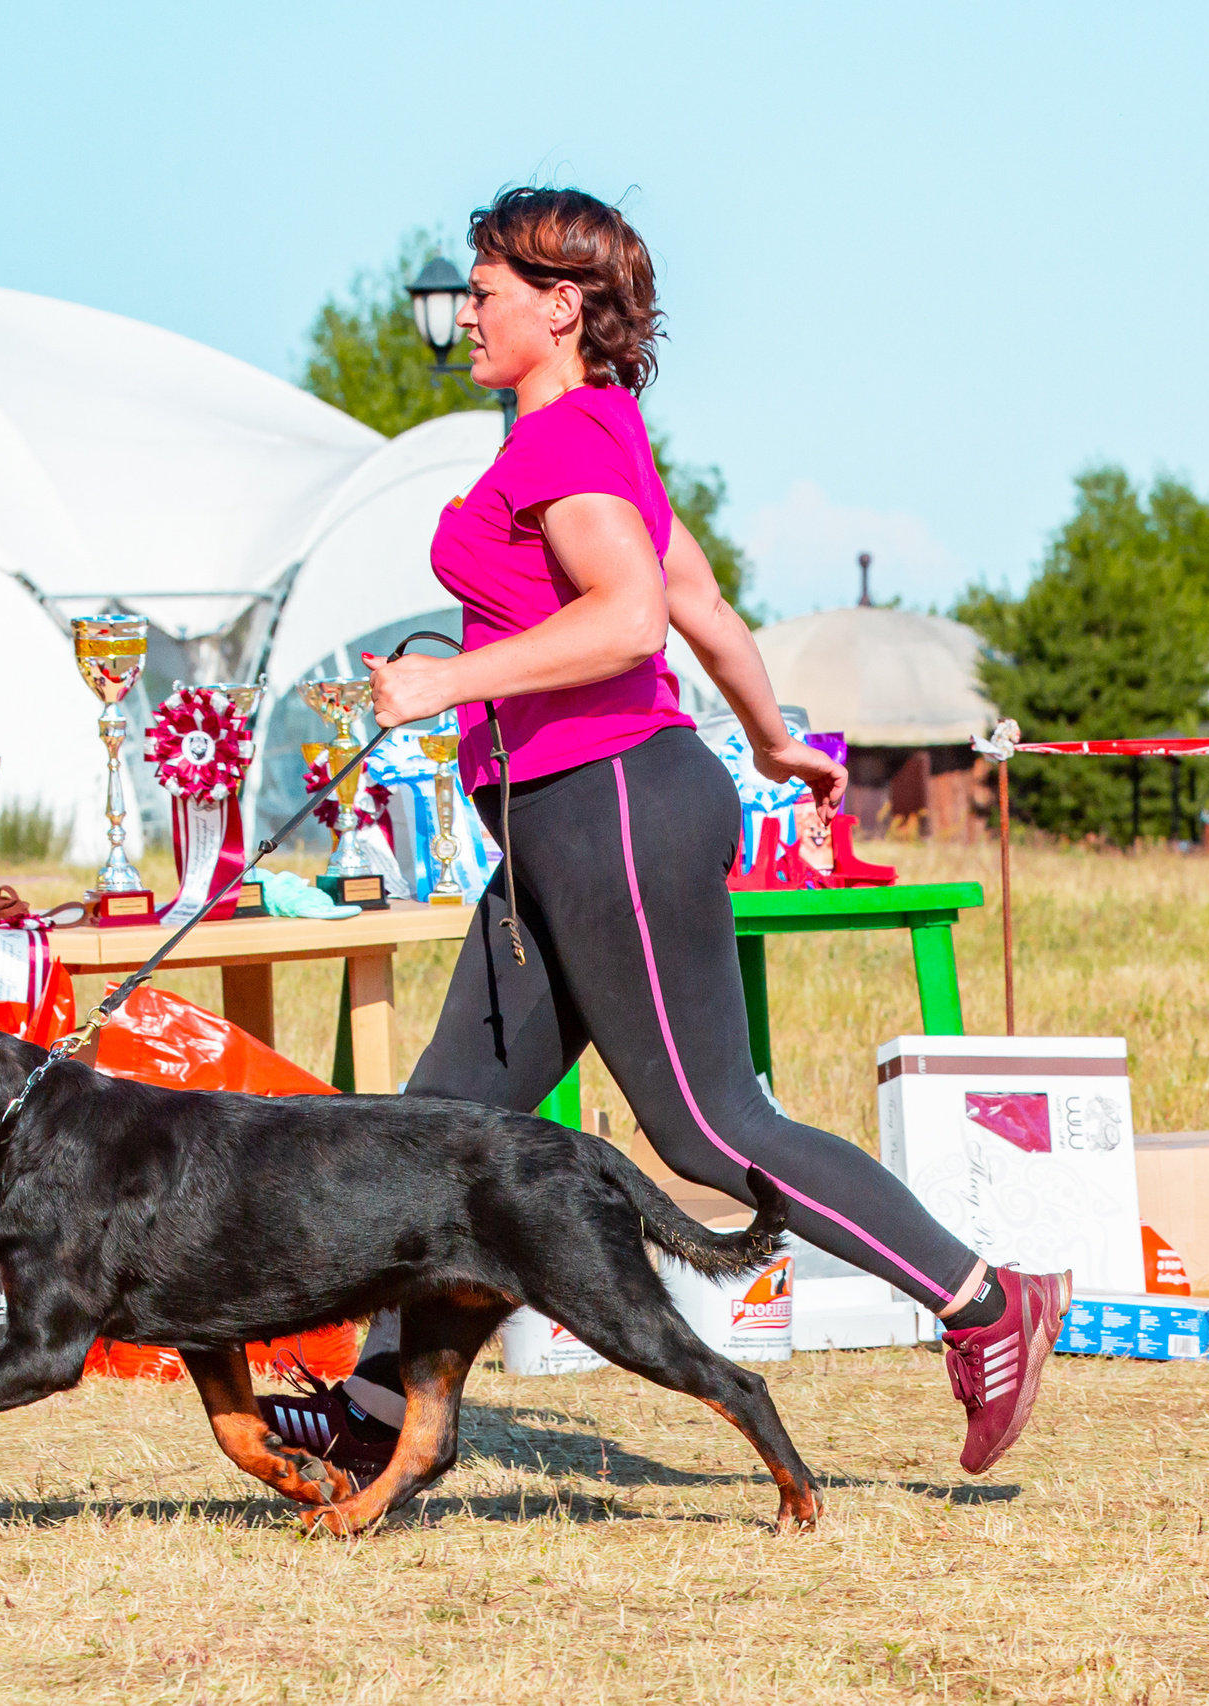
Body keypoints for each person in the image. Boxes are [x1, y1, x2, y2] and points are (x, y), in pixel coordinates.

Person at [260, 187, 1065, 1483]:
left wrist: (438, 687)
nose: (467, 313)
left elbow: (634, 617)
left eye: (487, 290)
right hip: (562, 821)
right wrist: (767, 734)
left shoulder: (567, 443)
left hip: (610, 805)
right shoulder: (597, 433)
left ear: (559, 305)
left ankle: (984, 1300)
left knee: (705, 1124)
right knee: (441, 1122)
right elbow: (695, 596)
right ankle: (375, 1408)